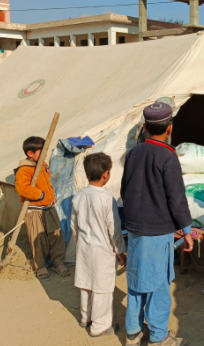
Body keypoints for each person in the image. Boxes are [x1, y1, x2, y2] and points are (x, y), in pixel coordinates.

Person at [121, 102, 194, 346]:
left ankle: (132, 332)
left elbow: (125, 189)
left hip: (135, 228)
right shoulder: (167, 156)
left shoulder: (133, 153)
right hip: (157, 230)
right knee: (159, 285)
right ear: (170, 128)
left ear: (145, 127)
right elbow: (176, 197)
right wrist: (187, 230)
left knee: (137, 279)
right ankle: (159, 337)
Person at [71, 153, 126, 337]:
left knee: (86, 284)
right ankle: (99, 327)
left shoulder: (78, 197)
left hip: (84, 248)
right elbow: (114, 230)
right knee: (102, 289)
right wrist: (120, 251)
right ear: (105, 174)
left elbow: (74, 226)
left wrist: (80, 244)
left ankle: (85, 319)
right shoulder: (107, 199)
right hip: (102, 251)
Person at [14, 136, 69, 279]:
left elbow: (47, 183)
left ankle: (58, 262)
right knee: (37, 238)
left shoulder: (43, 165)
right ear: (30, 154)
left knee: (55, 234)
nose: (45, 154)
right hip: (34, 208)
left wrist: (50, 196)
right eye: (41, 151)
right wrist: (41, 195)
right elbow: (23, 188)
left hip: (48, 206)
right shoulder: (24, 169)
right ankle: (40, 265)